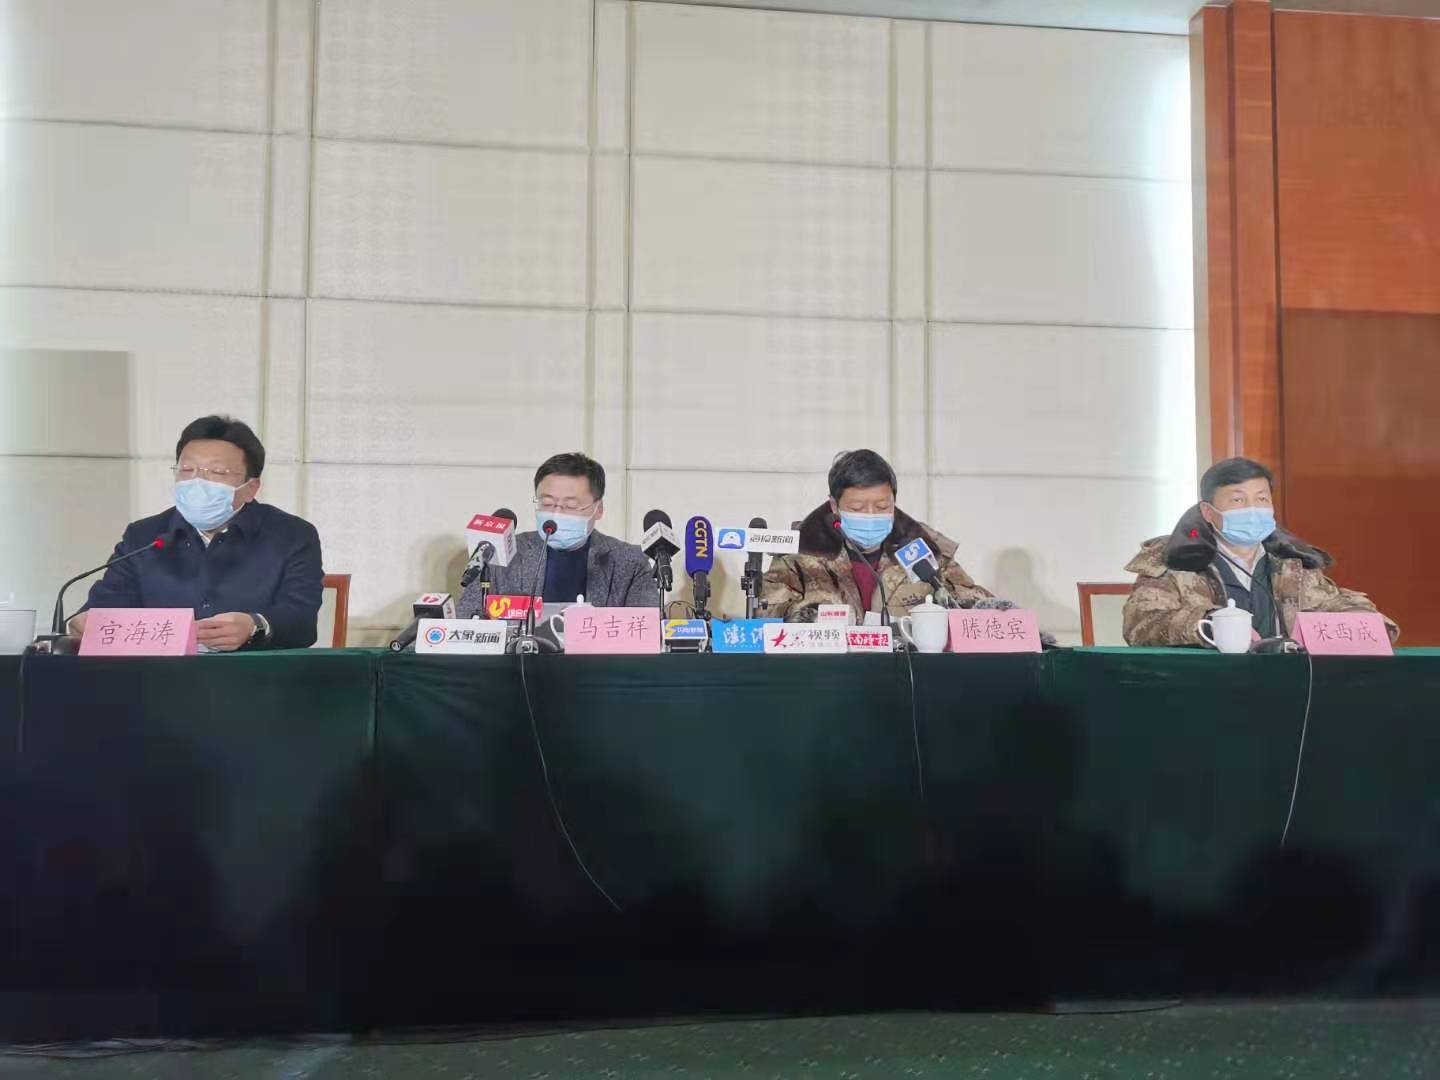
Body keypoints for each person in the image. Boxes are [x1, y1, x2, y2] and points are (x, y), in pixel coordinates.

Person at [70, 415, 324, 650]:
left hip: (252, 675)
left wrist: (255, 626)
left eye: (217, 472)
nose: (198, 483)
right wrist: (87, 623)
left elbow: (301, 622)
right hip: (159, 677)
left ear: (251, 488)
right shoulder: (144, 536)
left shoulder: (292, 535)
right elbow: (105, 607)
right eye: (187, 470)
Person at [1123, 456, 1398, 646]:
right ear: (1208, 511)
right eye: (1237, 500)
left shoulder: (1291, 561)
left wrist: (1365, 623)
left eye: (1262, 499)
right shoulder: (1175, 559)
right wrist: (1208, 625)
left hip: (1285, 686)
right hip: (1204, 686)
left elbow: (1333, 604)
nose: (1252, 509)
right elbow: (1141, 625)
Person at [762, 449, 992, 622]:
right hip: (824, 668)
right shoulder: (800, 551)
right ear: (834, 505)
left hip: (907, 668)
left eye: (882, 507)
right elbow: (766, 614)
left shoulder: (922, 546)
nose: (871, 515)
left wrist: (990, 610)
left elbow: (966, 603)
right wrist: (809, 618)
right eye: (857, 508)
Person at [456, 451, 656, 616]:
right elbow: (466, 619)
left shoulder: (630, 562)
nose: (557, 514)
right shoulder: (499, 554)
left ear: (598, 509)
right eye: (547, 503)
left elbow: (645, 629)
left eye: (571, 505)